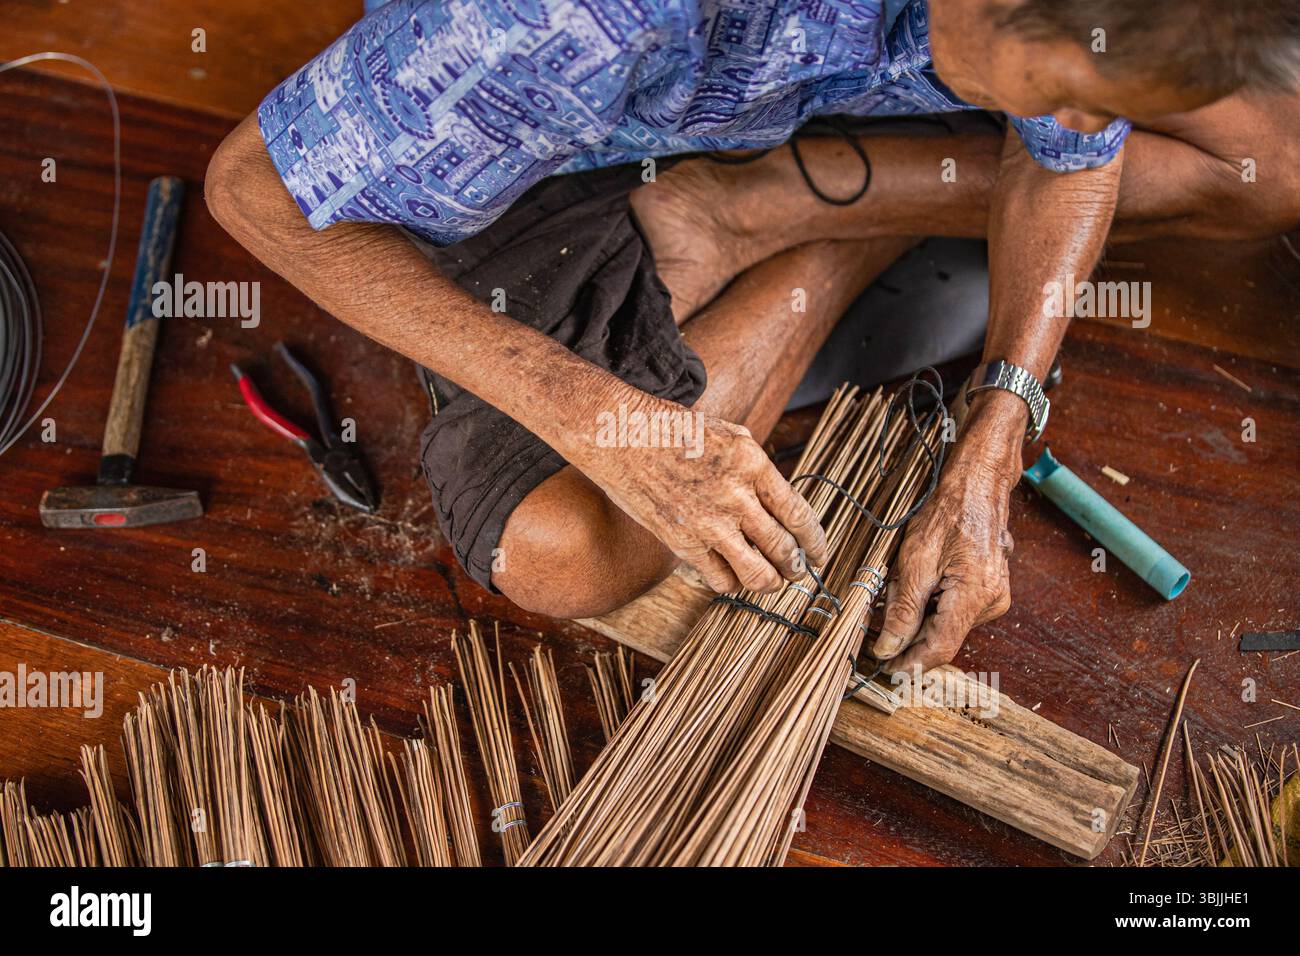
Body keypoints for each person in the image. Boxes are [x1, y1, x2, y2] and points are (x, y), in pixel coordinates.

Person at [206, 0, 1300, 675]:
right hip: (558, 158)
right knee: (562, 549)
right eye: (1063, 94)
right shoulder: (560, 23)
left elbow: (1076, 155)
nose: (1074, 133)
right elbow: (251, 190)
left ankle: (792, 203)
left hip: (788, 100)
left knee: (1274, 162)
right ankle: (828, 229)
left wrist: (996, 428)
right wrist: (604, 419)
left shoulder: (1060, 41)